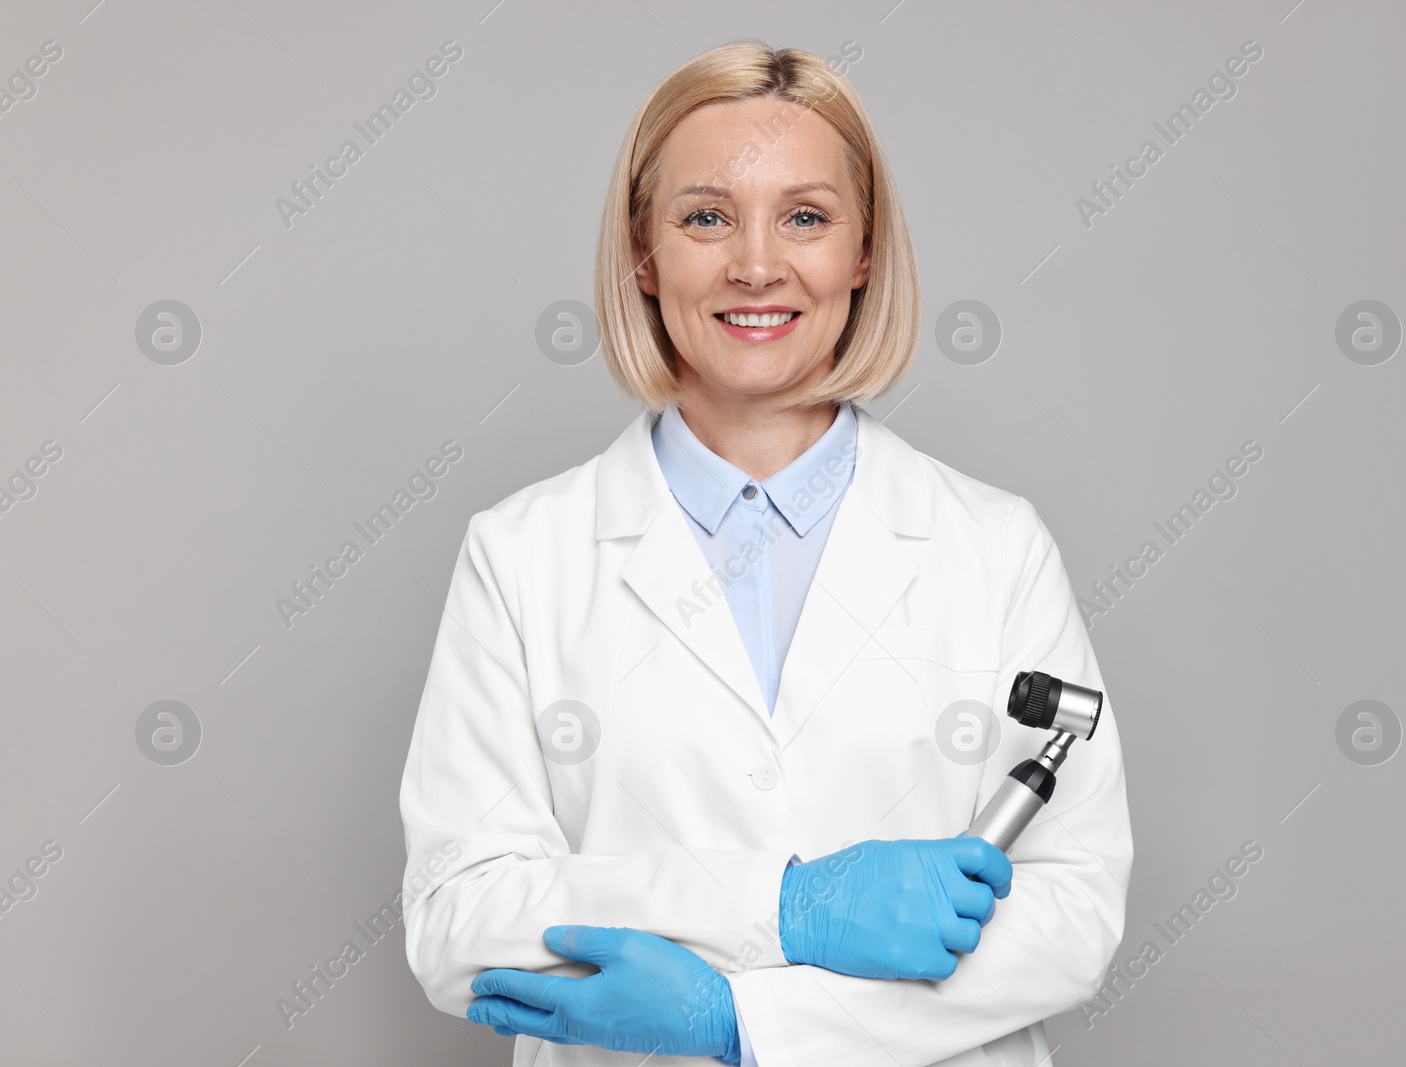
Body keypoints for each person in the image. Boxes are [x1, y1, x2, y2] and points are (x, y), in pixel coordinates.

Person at [399, 40, 1132, 1066]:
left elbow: (1069, 917)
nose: (755, 264)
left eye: (805, 216)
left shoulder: (992, 546)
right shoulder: (523, 555)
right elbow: (459, 917)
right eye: (705, 216)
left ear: (863, 250)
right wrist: (784, 907)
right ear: (642, 253)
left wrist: (746, 1024)